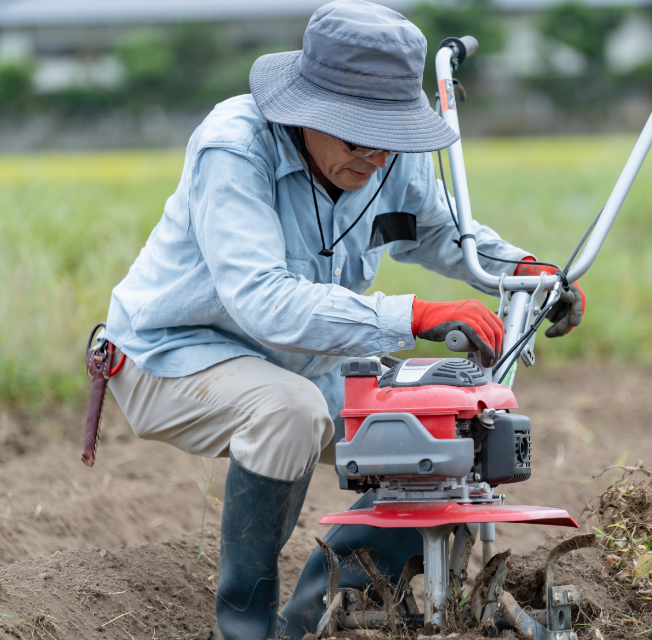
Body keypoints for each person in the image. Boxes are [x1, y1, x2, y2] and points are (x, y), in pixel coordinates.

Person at [102, 1, 584, 639]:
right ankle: (245, 631)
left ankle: (315, 617)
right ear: (307, 112)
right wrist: (415, 314)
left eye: (388, 139)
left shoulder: (388, 154)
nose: (375, 156)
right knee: (289, 412)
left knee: (435, 437)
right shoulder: (236, 147)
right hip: (168, 354)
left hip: (295, 361)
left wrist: (523, 269)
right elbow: (264, 301)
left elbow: (441, 233)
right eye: (357, 136)